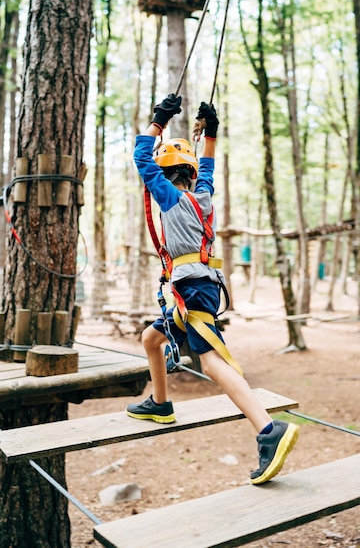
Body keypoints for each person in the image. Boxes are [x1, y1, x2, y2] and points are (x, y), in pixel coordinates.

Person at [127, 94, 299, 484]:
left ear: (165, 173)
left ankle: (268, 430)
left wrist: (158, 121)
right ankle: (160, 402)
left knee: (212, 363)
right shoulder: (203, 196)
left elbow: (141, 159)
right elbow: (208, 167)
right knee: (151, 339)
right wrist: (212, 134)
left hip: (191, 290)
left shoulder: (168, 197)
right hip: (194, 288)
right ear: (188, 170)